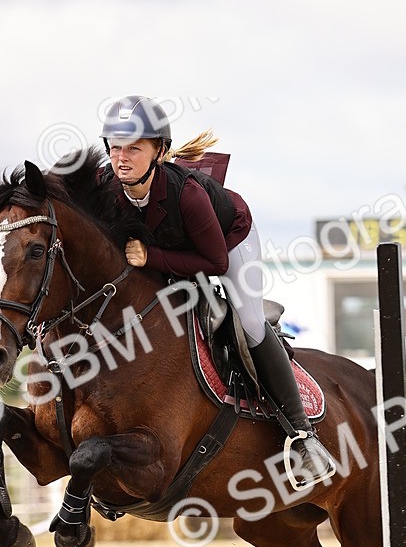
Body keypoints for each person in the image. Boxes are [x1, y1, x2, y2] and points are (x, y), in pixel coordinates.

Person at [100, 94, 337, 489]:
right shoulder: (106, 188)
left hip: (228, 243)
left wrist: (151, 257)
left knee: (249, 323)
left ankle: (303, 437)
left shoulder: (188, 195)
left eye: (134, 149)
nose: (122, 158)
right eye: (115, 148)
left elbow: (216, 265)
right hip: (170, 247)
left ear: (159, 152)